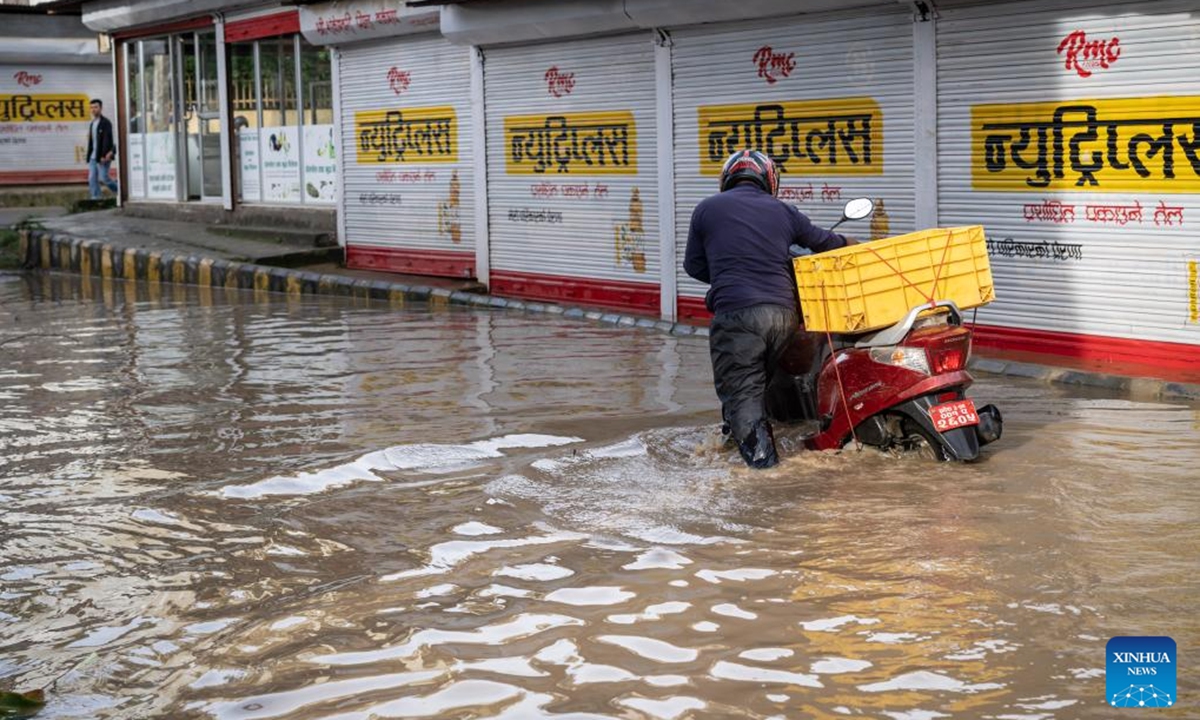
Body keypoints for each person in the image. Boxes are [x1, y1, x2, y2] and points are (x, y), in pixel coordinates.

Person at [684, 149, 855, 469]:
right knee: (758, 389)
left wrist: (727, 278)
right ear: (769, 180)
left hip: (739, 316)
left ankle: (765, 475)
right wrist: (852, 242)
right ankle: (743, 448)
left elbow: (693, 266)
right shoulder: (784, 211)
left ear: (727, 178)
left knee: (743, 396)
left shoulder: (706, 209)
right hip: (784, 319)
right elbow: (824, 243)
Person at [86, 98, 118, 199]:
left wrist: (104, 155)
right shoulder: (92, 124)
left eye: (95, 107)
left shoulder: (106, 123)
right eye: (91, 108)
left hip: (103, 156)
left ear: (101, 108)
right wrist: (89, 155)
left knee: (104, 178)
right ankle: (96, 197)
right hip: (93, 157)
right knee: (92, 178)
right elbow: (92, 142)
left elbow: (107, 140)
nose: (93, 110)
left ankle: (120, 191)